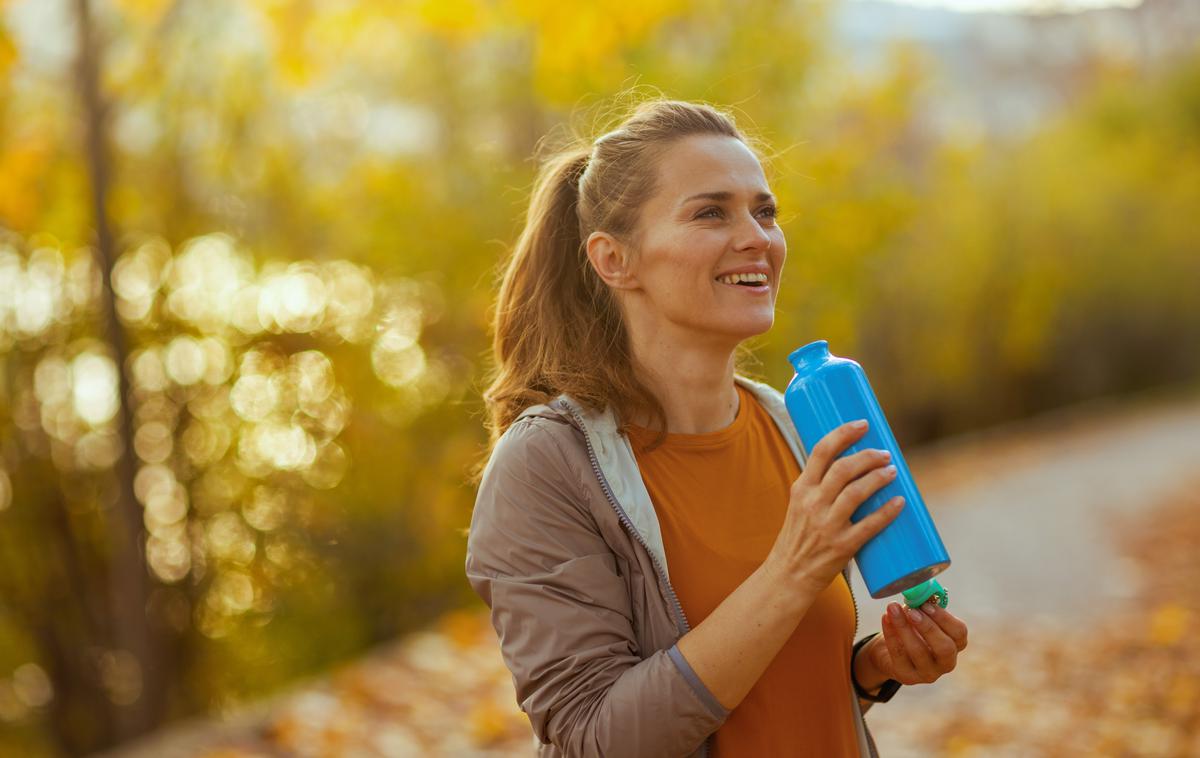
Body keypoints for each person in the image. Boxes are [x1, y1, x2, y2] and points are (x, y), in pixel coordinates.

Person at [465, 98, 969, 758]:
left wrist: (870, 669)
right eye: (711, 212)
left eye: (765, 212)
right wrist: (793, 570)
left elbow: (765, 694)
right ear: (614, 259)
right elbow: (595, 739)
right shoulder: (549, 465)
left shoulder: (790, 425)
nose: (758, 237)